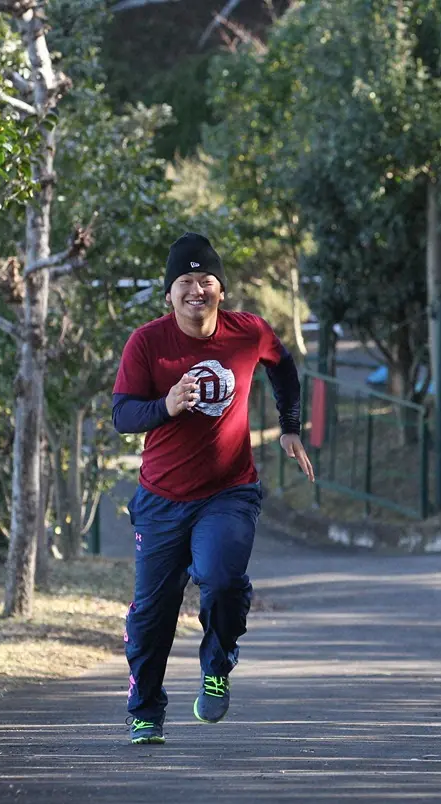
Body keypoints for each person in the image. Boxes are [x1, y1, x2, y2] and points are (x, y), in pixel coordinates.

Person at [112, 231, 315, 745]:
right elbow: (122, 414)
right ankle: (146, 712)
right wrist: (167, 407)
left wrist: (289, 425)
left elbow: (283, 367)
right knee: (153, 614)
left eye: (206, 280)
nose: (196, 289)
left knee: (221, 580)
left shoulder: (248, 333)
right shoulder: (147, 343)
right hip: (160, 499)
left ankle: (217, 664)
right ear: (169, 293)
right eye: (185, 281)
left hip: (229, 491)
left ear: (221, 290)